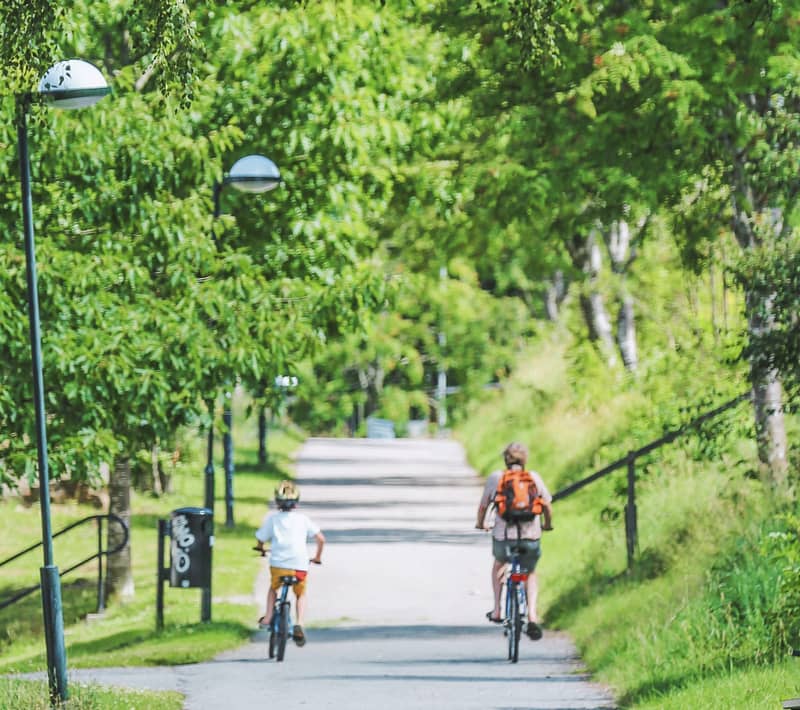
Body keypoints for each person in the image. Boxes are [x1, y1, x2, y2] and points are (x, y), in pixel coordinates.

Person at [475, 442, 553, 640]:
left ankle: (497, 609)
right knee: (530, 572)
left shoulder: (496, 477)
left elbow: (484, 506)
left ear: (505, 459)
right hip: (530, 536)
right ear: (524, 459)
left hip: (504, 537)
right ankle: (533, 615)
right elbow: (546, 504)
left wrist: (480, 523)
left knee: (499, 564)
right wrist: (547, 524)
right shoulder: (533, 478)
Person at [254, 480, 325, 647]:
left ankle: (268, 616)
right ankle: (299, 622)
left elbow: (260, 538)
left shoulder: (273, 520)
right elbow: (321, 539)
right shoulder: (303, 519)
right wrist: (317, 557)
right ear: (296, 502)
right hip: (300, 565)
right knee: (300, 594)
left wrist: (260, 548)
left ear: (277, 502)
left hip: (278, 565)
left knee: (273, 588)